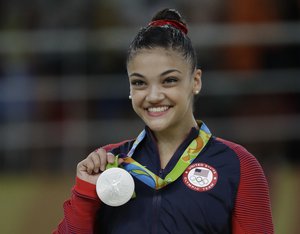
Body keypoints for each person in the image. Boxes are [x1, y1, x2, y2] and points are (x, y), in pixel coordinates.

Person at [53, 8, 274, 234]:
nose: (154, 96)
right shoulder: (110, 166)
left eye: (169, 80)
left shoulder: (237, 166)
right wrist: (84, 193)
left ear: (195, 81)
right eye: (140, 83)